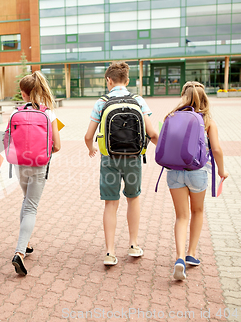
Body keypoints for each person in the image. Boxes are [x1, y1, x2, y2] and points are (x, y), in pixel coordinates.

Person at [84, 61, 159, 266]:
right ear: (127, 80)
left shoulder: (101, 102)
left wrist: (91, 148)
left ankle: (110, 252)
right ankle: (133, 245)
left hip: (109, 159)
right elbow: (152, 133)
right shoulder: (138, 100)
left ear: (109, 80)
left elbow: (88, 135)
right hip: (133, 158)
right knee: (133, 198)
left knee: (111, 202)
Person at [164, 81, 228, 280]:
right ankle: (191, 253)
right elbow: (216, 149)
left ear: (183, 96)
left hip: (174, 172)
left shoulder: (171, 116)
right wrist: (222, 171)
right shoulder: (208, 120)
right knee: (197, 211)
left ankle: (180, 258)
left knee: (181, 216)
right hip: (197, 172)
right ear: (204, 98)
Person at [11, 71, 61, 276]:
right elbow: (57, 145)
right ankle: (20, 252)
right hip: (39, 164)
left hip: (19, 163)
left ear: (23, 93)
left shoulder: (16, 112)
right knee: (31, 206)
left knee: (26, 201)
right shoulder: (48, 113)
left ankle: (27, 243)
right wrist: (45, 150)